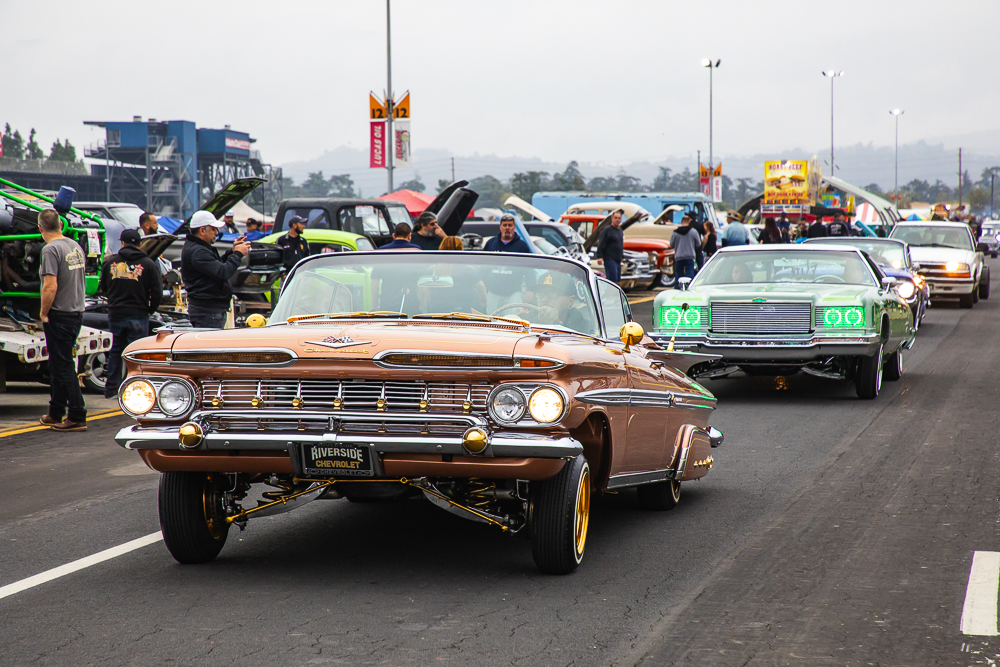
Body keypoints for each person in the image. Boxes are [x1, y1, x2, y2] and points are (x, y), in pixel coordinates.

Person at [37, 208, 88, 431]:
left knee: (64, 365)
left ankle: (77, 414)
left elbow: (50, 286)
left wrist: (43, 313)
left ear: (40, 228)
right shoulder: (74, 246)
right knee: (58, 364)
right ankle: (55, 412)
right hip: (76, 311)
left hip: (60, 314)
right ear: (61, 225)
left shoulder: (50, 249)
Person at [100, 229, 162, 399]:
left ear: (122, 243)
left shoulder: (110, 263)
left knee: (115, 352)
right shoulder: (148, 264)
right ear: (140, 244)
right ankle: (137, 390)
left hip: (116, 313)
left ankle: (111, 389)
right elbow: (157, 292)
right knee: (137, 354)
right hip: (139, 314)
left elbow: (103, 288)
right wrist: (150, 310)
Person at [181, 210, 250, 328]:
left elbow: (215, 266)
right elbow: (223, 272)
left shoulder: (199, 248)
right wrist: (237, 254)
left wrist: (232, 252)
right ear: (202, 230)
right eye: (213, 229)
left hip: (208, 310)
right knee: (209, 345)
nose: (217, 232)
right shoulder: (198, 251)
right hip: (208, 312)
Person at [419, 236, 487, 313]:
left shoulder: (432, 269)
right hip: (462, 312)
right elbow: (481, 286)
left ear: (441, 248)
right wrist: (483, 300)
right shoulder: (468, 269)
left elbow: (423, 288)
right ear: (460, 249)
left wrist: (429, 302)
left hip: (437, 311)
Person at [594, 210, 625, 283]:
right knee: (612, 279)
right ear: (612, 219)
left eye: (619, 218)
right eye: (615, 218)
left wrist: (622, 257)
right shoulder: (607, 230)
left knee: (617, 279)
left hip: (617, 259)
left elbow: (620, 244)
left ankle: (616, 294)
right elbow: (601, 243)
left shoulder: (620, 230)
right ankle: (610, 293)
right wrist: (599, 257)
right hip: (609, 259)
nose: (617, 220)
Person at [670, 214, 702, 282]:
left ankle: (678, 289)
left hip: (679, 256)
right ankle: (689, 288)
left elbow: (671, 244)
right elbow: (698, 244)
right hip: (690, 256)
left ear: (681, 221)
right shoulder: (693, 231)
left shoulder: (675, 232)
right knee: (690, 275)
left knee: (678, 275)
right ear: (689, 221)